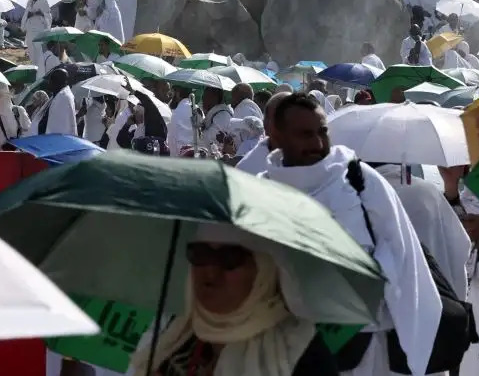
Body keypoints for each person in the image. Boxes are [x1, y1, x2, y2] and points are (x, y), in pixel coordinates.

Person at [262, 94, 446, 376]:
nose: (317, 143)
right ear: (277, 135)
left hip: (369, 343)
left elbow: (404, 257)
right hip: (293, 343)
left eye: (322, 132)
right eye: (305, 134)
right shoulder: (264, 191)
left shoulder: (361, 181)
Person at [128, 224, 342, 376]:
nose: (210, 273)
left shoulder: (297, 352)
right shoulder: (176, 333)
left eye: (229, 259)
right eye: (200, 254)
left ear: (264, 270)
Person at [34, 68, 80, 137]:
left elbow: (58, 127)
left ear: (57, 82)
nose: (49, 83)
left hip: (55, 141)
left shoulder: (63, 98)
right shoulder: (57, 95)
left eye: (51, 80)